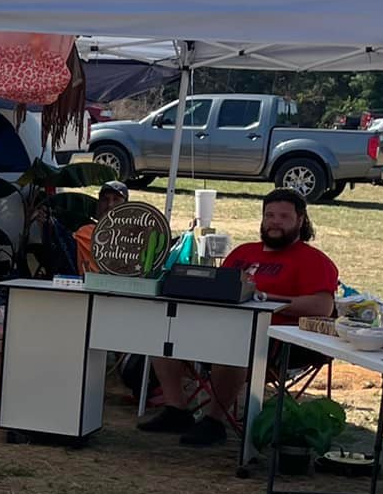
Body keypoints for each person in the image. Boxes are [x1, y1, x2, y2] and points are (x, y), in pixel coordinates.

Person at [140, 188, 339, 447]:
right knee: (164, 332)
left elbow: (323, 306)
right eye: (269, 215)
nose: (275, 222)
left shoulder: (312, 260)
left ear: (300, 221)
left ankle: (214, 421)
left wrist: (266, 297)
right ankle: (177, 409)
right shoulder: (243, 252)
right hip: (222, 325)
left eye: (283, 216)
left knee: (234, 345)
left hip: (276, 340)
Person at [71, 180, 129, 273]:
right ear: (99, 205)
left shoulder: (134, 238)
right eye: (105, 200)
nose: (110, 205)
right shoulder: (84, 233)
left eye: (116, 199)